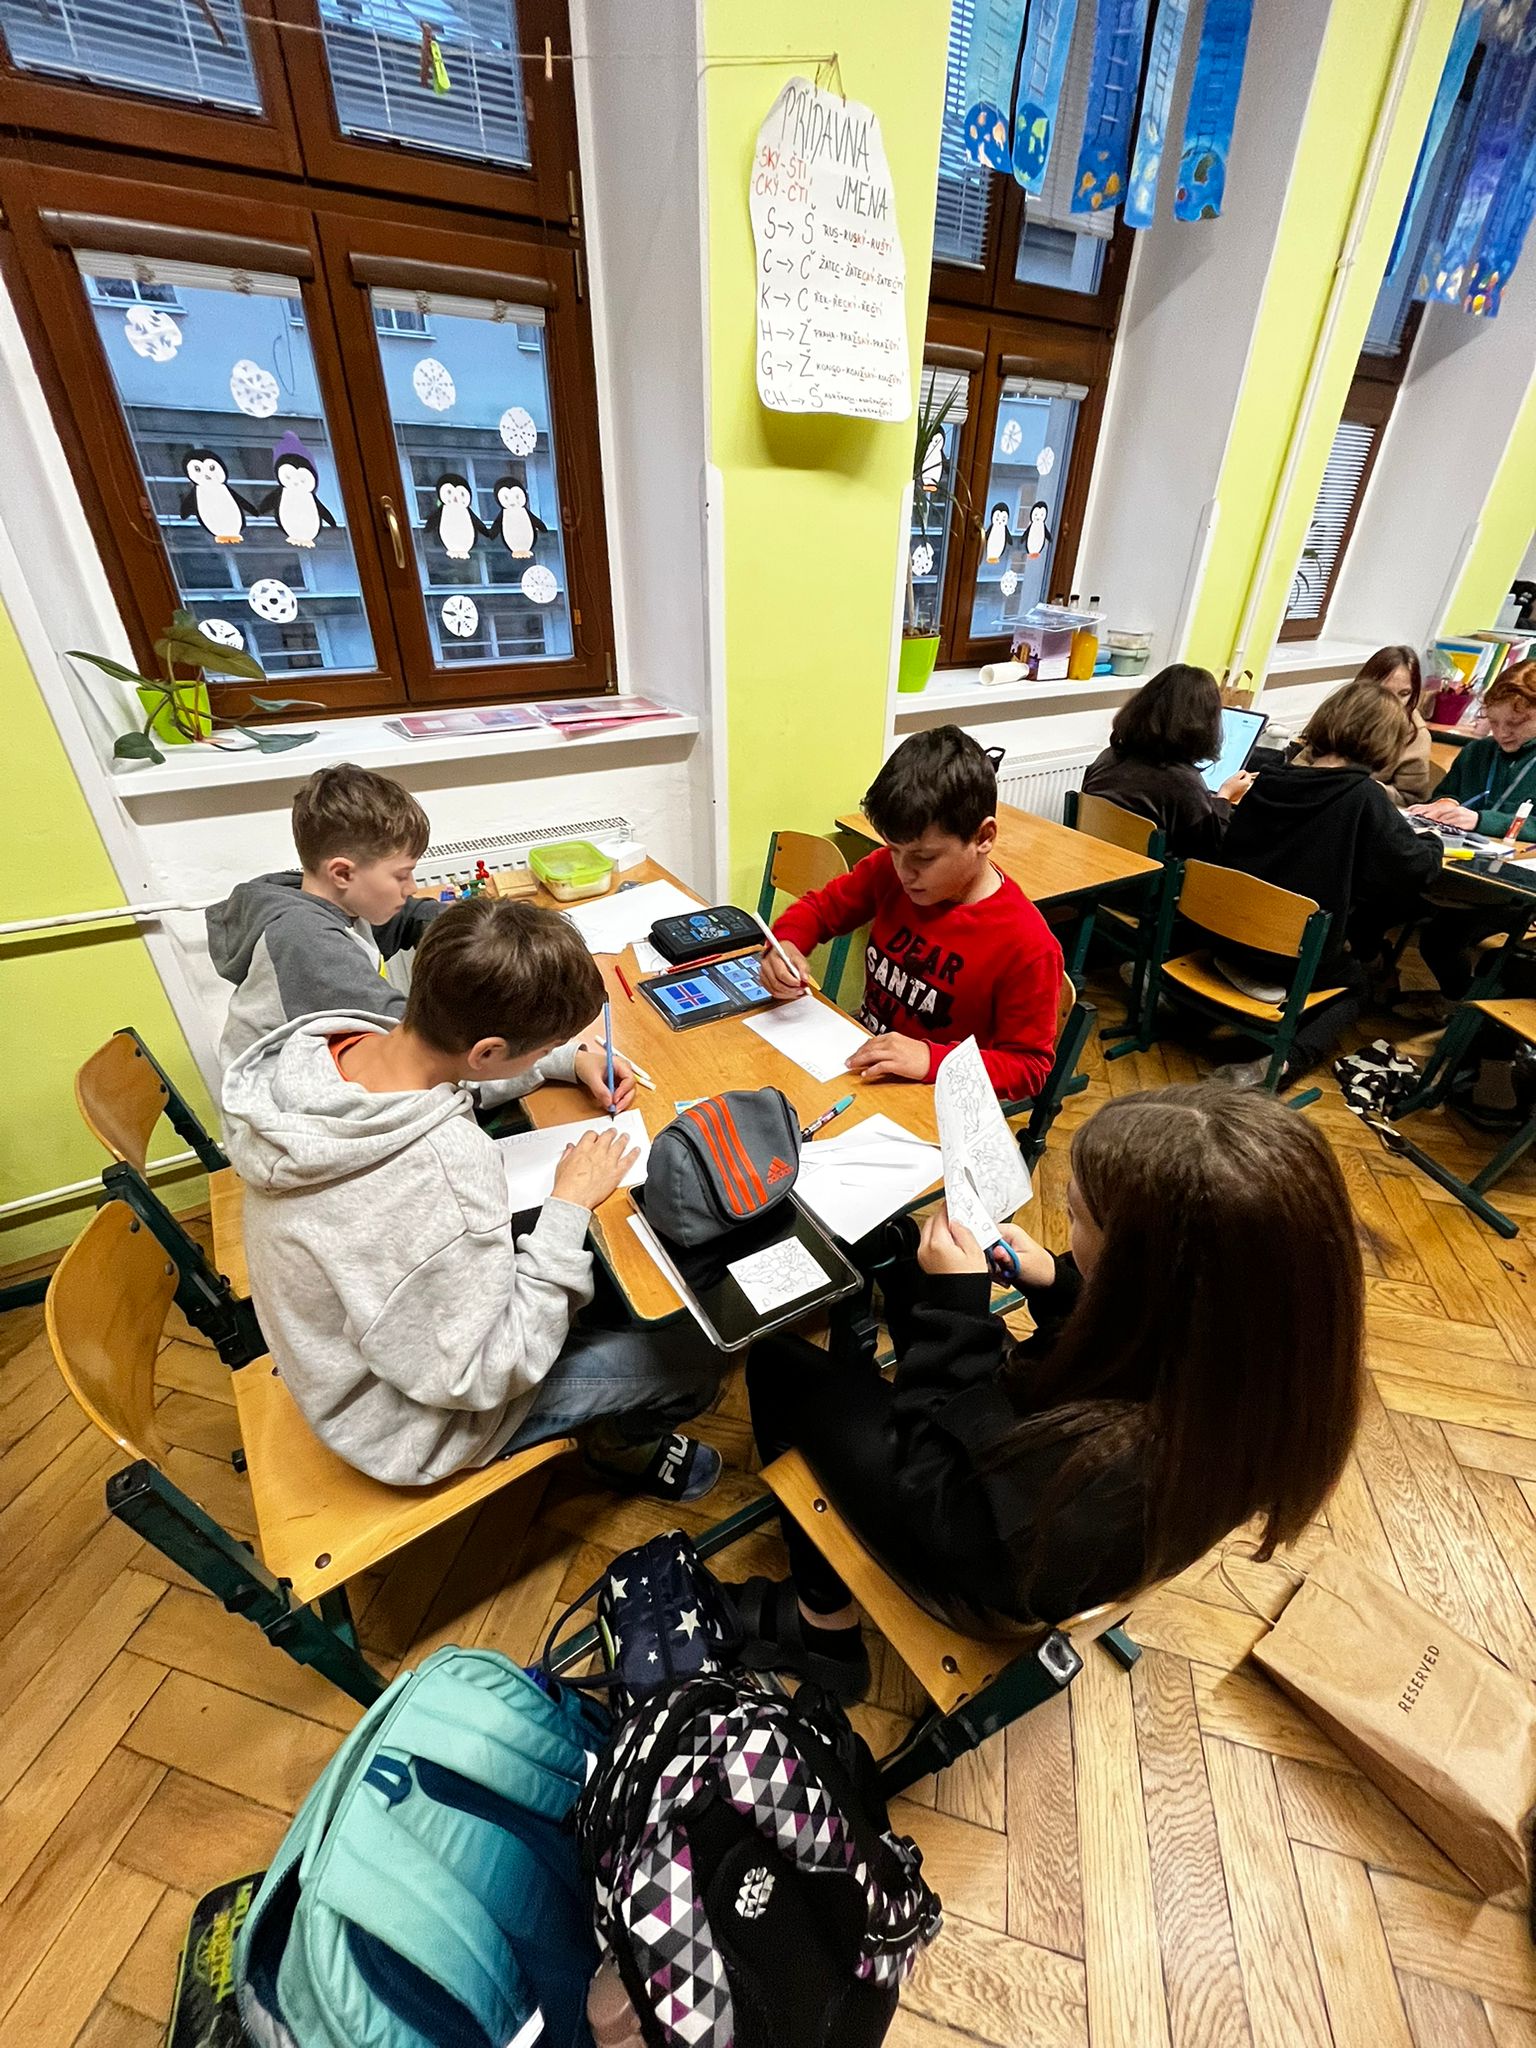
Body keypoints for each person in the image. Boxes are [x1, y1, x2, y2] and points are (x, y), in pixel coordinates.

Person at [730, 1085, 1363, 1702]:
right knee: (910, 1271)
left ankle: (822, 1629)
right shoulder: (1255, 1365)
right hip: (1028, 1510)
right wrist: (1060, 1282)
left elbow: (937, 1494)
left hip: (972, 1555)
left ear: (1137, 1272)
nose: (1065, 1223)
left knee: (780, 1364)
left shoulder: (1111, 1472)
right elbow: (1132, 1345)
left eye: (1076, 1217)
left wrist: (956, 1315)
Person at [221, 896, 724, 1496]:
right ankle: (620, 1450)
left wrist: (565, 1060)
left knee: (606, 1273)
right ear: (486, 1052)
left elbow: (451, 1076)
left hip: (351, 1349)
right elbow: (481, 1373)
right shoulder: (442, 1170)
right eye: (540, 1048)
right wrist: (567, 1207)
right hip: (407, 1423)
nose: (544, 1056)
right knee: (694, 1359)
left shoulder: (339, 1047)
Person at [762, 726, 1062, 1100]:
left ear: (983, 837)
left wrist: (931, 1060)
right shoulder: (888, 871)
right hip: (865, 1068)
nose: (904, 872)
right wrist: (786, 945)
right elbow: (822, 909)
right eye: (894, 850)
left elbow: (1029, 1068)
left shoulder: (1026, 945)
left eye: (924, 857)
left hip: (937, 1099)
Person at [1210, 679, 1440, 1083]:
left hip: (1225, 933)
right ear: (1385, 742)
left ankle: (1179, 1006)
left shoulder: (1269, 778)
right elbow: (1414, 868)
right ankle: (1283, 1063)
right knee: (1357, 985)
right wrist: (1433, 841)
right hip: (1290, 957)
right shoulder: (1363, 797)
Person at [209, 763, 446, 1069]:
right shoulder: (306, 940)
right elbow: (410, 1038)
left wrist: (468, 929)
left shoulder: (335, 902)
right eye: (402, 875)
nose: (411, 887)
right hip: (279, 1091)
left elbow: (409, 916)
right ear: (342, 873)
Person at [1411, 662, 1536, 999]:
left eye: (1515, 723)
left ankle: (1462, 1007)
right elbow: (1448, 793)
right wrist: (1445, 803)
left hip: (1509, 887)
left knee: (1439, 941)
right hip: (1456, 869)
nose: (1502, 733)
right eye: (1493, 723)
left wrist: (1482, 820)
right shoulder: (1479, 751)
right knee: (1377, 905)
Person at [1080, 663, 1250, 856]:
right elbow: (1208, 852)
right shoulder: (1184, 784)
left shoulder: (1108, 758)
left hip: (1095, 858)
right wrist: (1224, 797)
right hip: (1148, 872)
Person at [1354, 645, 1433, 807]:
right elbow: (1304, 763)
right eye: (1385, 692)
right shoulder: (1343, 713)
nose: (1394, 703)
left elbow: (1411, 800)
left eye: (1404, 694)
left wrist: (1366, 787)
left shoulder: (1415, 735)